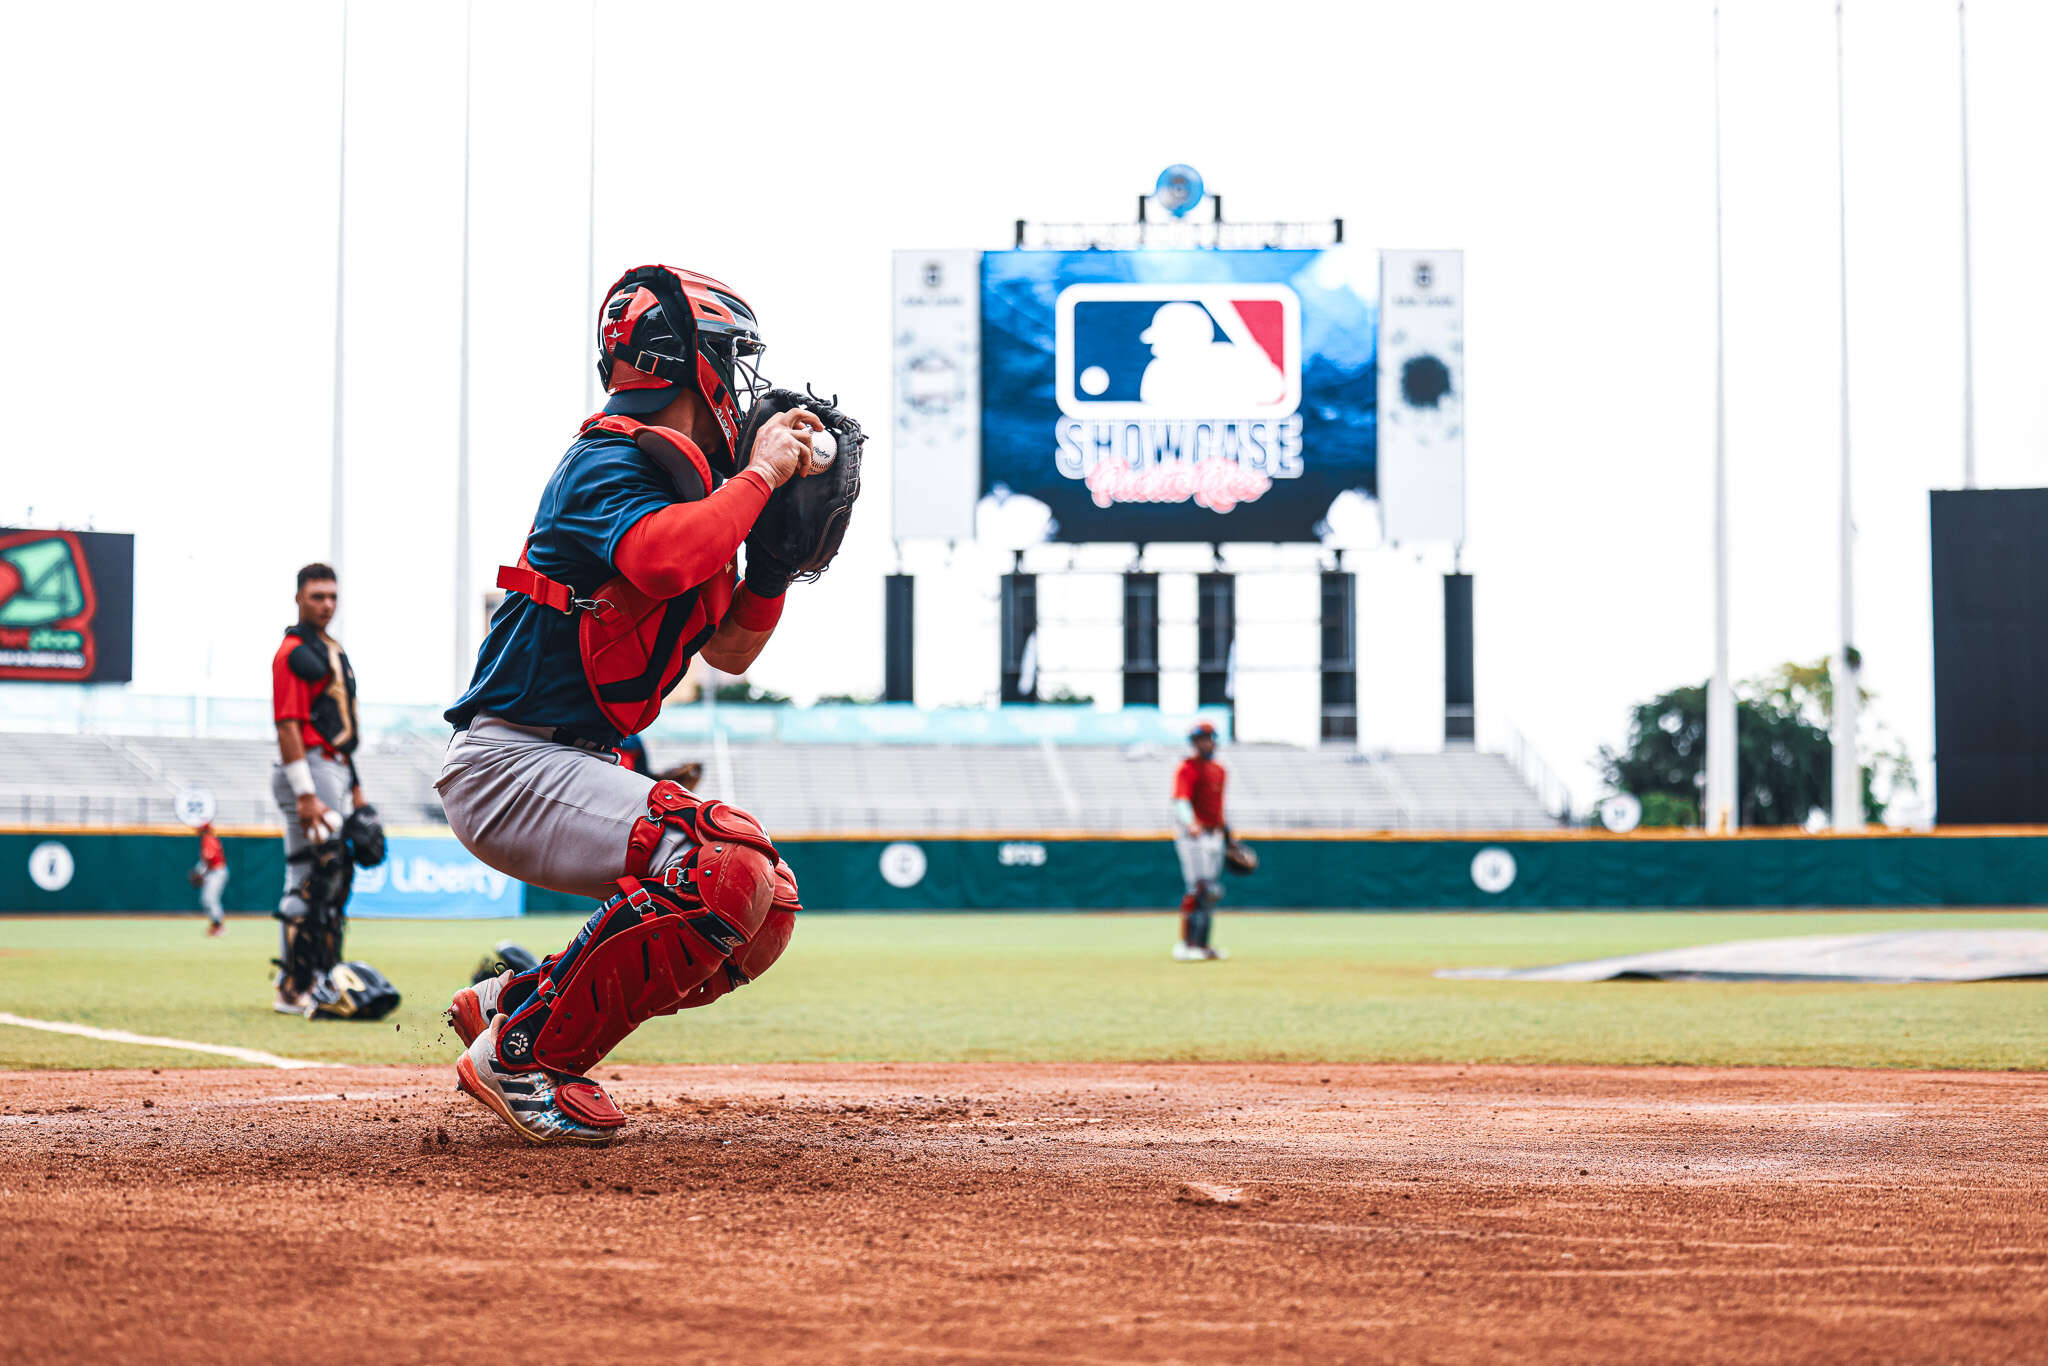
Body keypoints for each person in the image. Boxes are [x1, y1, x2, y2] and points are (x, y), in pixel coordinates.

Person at [438, 263, 821, 1146]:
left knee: (766, 906)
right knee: (721, 868)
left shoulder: (693, 491)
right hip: (510, 759)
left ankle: (517, 1002)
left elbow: (728, 649)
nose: (744, 382)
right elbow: (657, 562)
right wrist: (759, 480)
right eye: (733, 357)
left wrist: (769, 567)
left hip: (567, 761)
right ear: (689, 361)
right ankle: (523, 1056)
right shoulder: (608, 458)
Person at [269, 563, 367, 1013]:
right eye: (316, 596)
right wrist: (305, 792)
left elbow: (336, 723)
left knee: (325, 876)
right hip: (308, 767)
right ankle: (296, 986)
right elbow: (288, 725)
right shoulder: (293, 651)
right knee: (315, 876)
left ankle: (316, 978)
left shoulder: (326, 647)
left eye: (332, 596)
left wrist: (355, 784)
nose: (326, 604)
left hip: (332, 767)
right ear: (298, 598)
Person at [1171, 721, 1229, 961]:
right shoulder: (1187, 767)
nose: (1206, 742)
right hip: (1194, 834)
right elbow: (1181, 800)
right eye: (1201, 739)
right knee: (1198, 888)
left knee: (1211, 891)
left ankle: (1203, 944)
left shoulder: (1219, 770)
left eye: (1209, 738)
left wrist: (1230, 837)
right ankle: (1187, 944)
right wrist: (1190, 822)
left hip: (1214, 833)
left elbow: (1218, 808)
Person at [188, 823, 228, 937]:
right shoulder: (207, 839)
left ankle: (219, 927)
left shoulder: (208, 839)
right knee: (206, 900)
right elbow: (205, 861)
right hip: (213, 872)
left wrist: (200, 873)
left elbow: (208, 860)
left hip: (216, 872)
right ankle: (216, 925)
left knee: (210, 899)